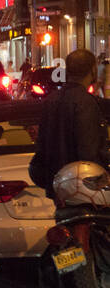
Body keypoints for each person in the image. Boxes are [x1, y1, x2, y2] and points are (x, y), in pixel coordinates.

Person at [30, 48, 109, 199]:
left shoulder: (52, 100)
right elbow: (88, 150)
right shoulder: (86, 102)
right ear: (93, 70)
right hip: (82, 188)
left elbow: (42, 144)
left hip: (57, 185)